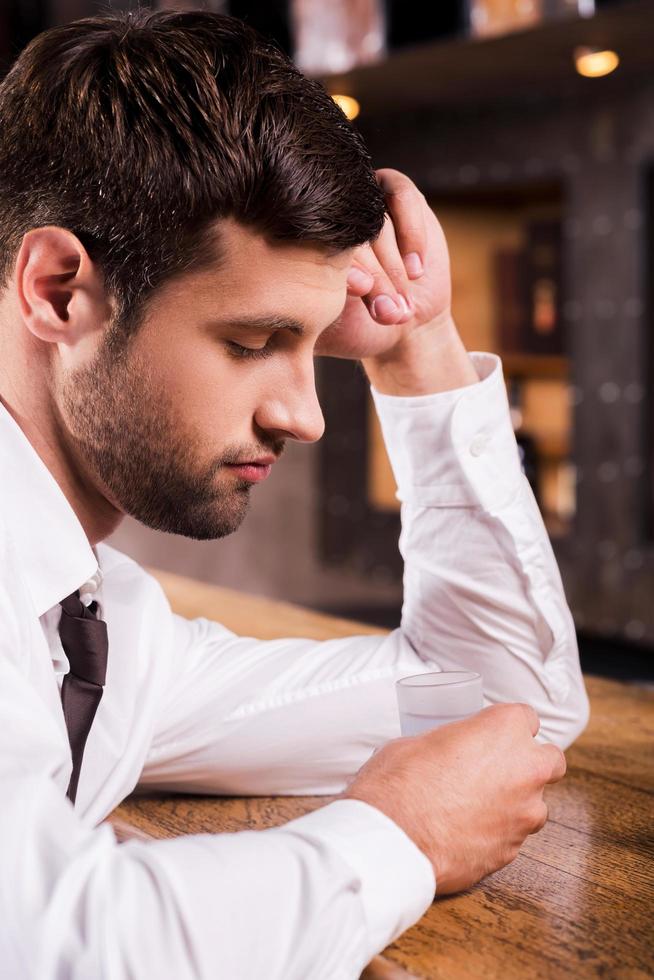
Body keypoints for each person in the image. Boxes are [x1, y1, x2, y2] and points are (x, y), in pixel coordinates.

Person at [0, 9, 588, 979]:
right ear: (61, 290)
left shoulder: (104, 634)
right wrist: (398, 835)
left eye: (313, 342)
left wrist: (415, 347)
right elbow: (56, 945)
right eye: (252, 341)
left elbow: (498, 705)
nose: (307, 414)